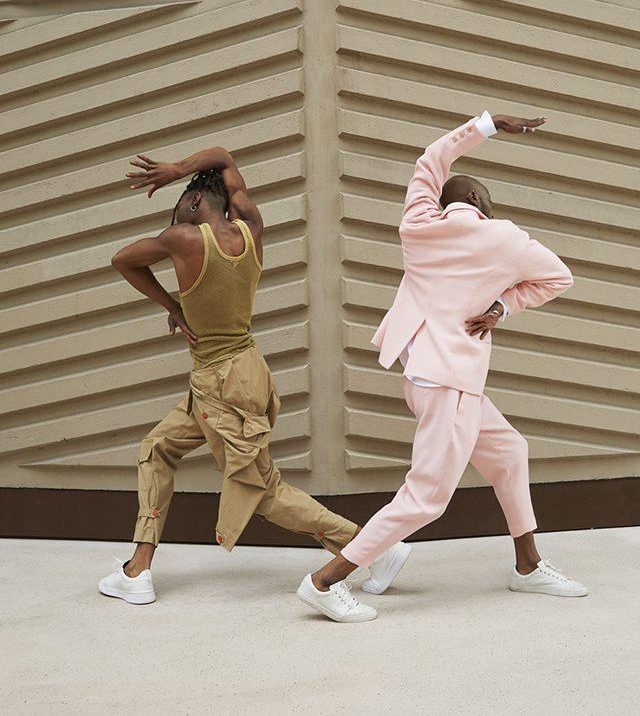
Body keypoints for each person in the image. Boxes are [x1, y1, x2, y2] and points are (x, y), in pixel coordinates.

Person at [296, 111, 588, 623]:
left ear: (446, 201)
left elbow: (431, 159)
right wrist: (503, 307)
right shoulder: (506, 239)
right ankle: (326, 580)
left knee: (509, 452)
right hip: (452, 383)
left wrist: (487, 124)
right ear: (477, 202)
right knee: (427, 496)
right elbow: (558, 278)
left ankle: (527, 565)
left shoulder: (417, 226)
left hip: (423, 376)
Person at [98, 147, 410, 615]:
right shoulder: (251, 227)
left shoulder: (183, 238)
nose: (176, 209)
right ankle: (137, 569)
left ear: (194, 200)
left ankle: (371, 547)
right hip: (239, 372)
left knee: (261, 492)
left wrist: (173, 306)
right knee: (157, 448)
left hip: (221, 383)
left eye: (180, 199)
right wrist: (183, 169)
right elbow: (224, 159)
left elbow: (123, 260)